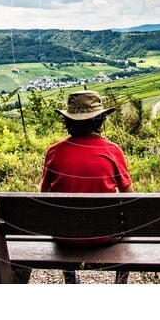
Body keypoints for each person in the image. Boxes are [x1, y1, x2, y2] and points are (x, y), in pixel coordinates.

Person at [40, 90, 133, 284]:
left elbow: (44, 196)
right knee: (126, 223)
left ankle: (70, 278)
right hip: (105, 235)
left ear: (68, 121)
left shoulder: (54, 152)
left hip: (64, 237)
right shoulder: (112, 151)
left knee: (61, 217)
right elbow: (129, 196)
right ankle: (120, 282)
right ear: (99, 121)